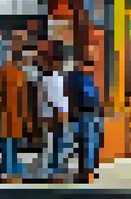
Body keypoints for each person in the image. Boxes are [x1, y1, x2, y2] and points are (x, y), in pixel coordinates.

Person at [0, 44, 34, 182]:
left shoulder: (2, 71)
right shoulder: (21, 74)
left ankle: (8, 170)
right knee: (12, 144)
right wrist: (27, 117)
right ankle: (10, 171)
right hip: (15, 114)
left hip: (6, 113)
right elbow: (25, 98)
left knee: (8, 144)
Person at [37, 45, 72, 181]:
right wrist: (61, 117)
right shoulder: (52, 79)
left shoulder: (47, 78)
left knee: (56, 144)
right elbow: (55, 102)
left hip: (53, 115)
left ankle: (54, 169)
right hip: (56, 116)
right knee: (57, 144)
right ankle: (55, 171)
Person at [67, 57, 103, 183]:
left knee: (91, 144)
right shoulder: (79, 80)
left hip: (91, 115)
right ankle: (85, 171)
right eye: (86, 65)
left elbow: (96, 100)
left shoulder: (91, 81)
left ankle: (90, 170)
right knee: (84, 144)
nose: (88, 68)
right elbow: (73, 97)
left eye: (89, 66)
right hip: (83, 115)